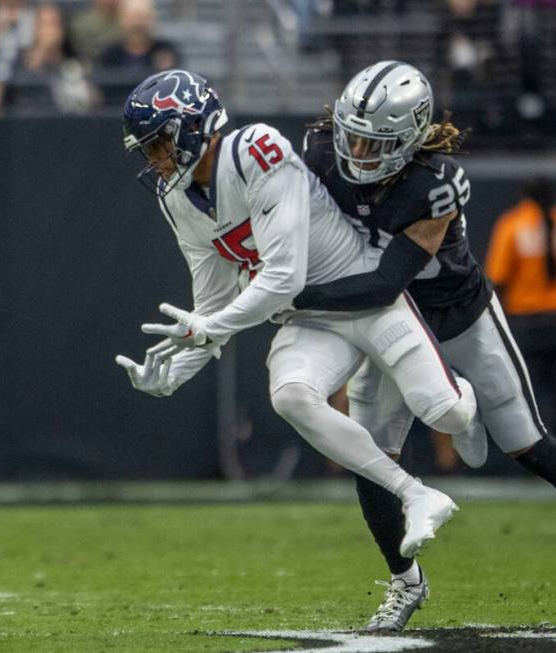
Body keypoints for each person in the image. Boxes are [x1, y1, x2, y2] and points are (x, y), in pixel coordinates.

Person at [294, 60, 556, 632]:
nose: (356, 154)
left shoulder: (432, 185)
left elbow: (387, 279)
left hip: (456, 313)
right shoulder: (317, 150)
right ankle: (403, 580)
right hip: (390, 320)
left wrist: (294, 296)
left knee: (525, 441)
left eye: (374, 144)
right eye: (352, 136)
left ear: (408, 140)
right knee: (370, 457)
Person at [115, 69, 484, 561]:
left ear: (193, 126)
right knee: (290, 395)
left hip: (364, 297)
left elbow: (282, 278)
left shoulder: (255, 150)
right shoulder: (177, 199)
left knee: (446, 412)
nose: (153, 160)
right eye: (146, 149)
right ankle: (416, 493)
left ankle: (466, 400)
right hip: (308, 319)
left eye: (159, 143)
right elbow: (212, 304)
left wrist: (210, 329)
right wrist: (175, 374)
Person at [485, 177, 556, 447]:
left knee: (525, 397)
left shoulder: (512, 226)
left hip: (527, 324)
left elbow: (497, 278)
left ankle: (530, 456)